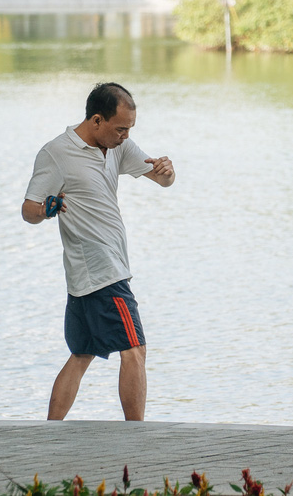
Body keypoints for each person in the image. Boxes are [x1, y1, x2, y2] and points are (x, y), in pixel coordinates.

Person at [21, 82, 175, 421]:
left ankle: (51, 431)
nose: (126, 136)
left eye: (130, 129)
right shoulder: (56, 154)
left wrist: (167, 173)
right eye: (121, 128)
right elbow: (28, 210)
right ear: (96, 120)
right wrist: (47, 210)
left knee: (82, 354)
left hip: (86, 277)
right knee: (135, 349)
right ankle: (137, 436)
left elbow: (160, 179)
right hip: (103, 271)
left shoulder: (117, 146)